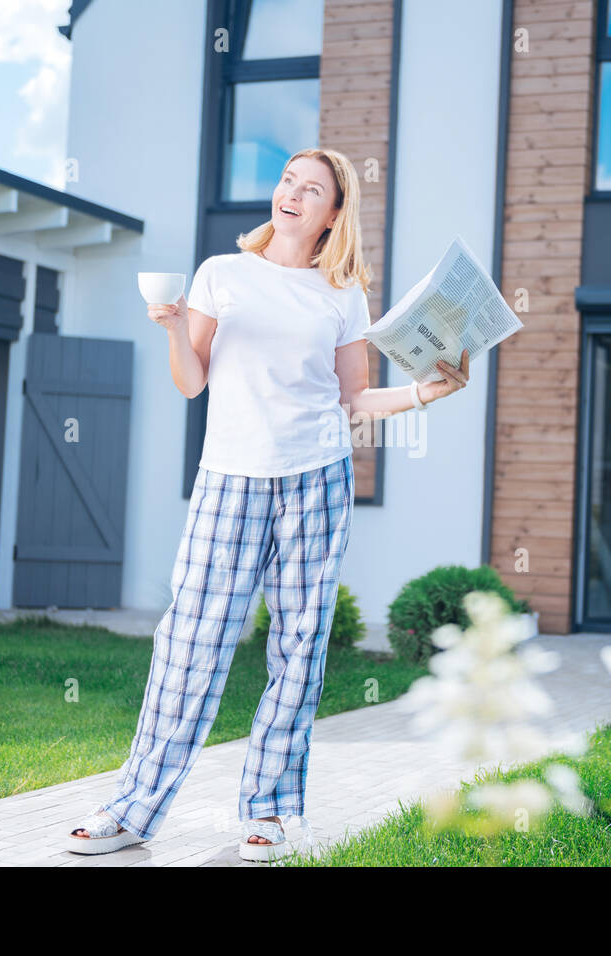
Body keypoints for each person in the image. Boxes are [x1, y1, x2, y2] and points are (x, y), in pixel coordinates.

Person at [66, 147, 470, 862]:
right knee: (189, 644)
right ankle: (133, 808)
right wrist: (169, 329)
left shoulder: (342, 295)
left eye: (312, 190)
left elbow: (351, 402)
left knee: (299, 647)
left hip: (317, 477)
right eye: (288, 180)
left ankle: (271, 814)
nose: (292, 194)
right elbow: (191, 382)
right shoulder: (221, 274)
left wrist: (424, 393)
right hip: (229, 477)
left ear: (333, 215)